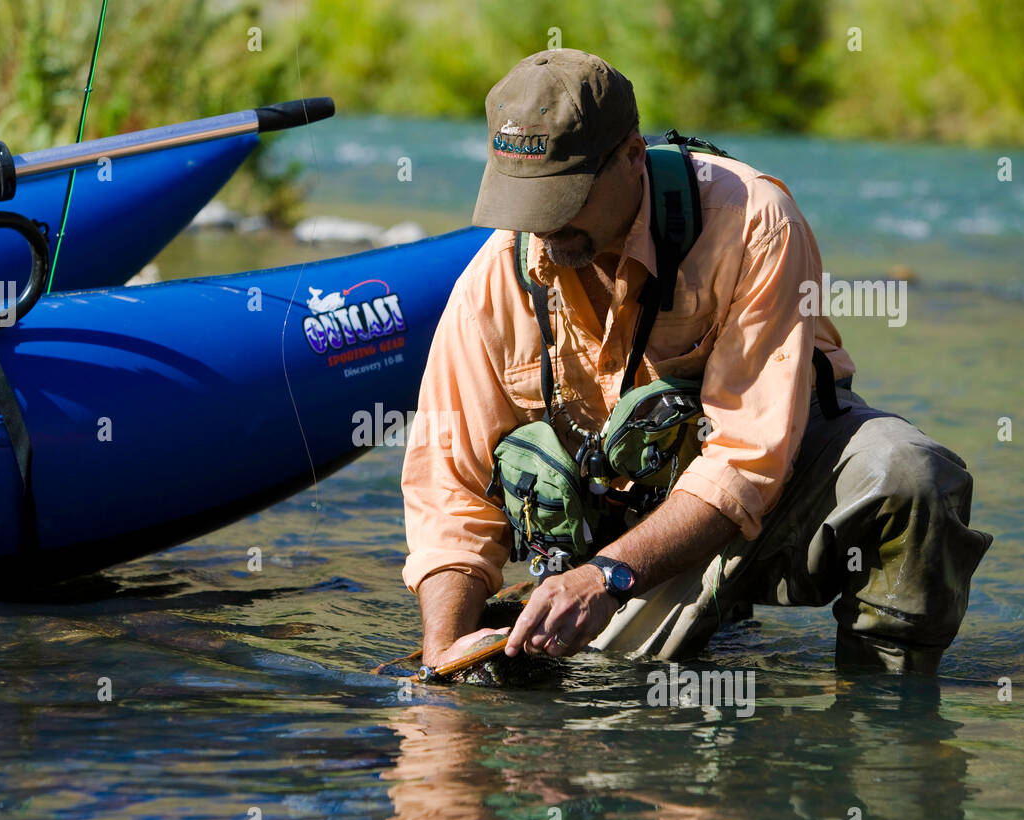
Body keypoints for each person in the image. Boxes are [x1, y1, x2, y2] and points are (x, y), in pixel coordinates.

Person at [401, 49, 992, 675]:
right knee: (562, 714)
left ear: (632, 158)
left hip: (771, 496)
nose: (540, 226)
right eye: (523, 201)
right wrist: (445, 647)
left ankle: (884, 716)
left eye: (563, 197)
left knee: (910, 474)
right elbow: (448, 491)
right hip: (617, 546)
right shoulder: (492, 282)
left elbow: (748, 461)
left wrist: (606, 579)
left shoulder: (753, 223)